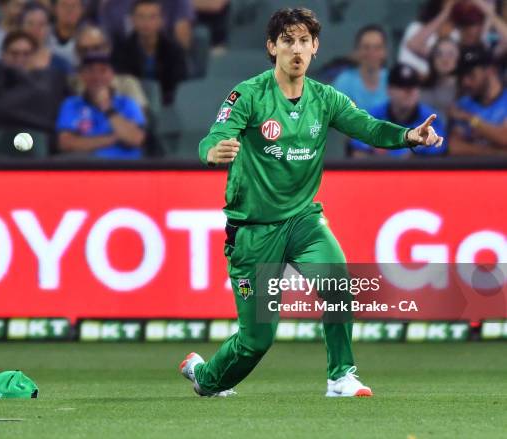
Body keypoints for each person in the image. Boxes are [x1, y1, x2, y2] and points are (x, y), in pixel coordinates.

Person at [179, 7, 443, 398]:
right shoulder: (248, 95)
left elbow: (367, 126)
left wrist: (408, 137)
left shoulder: (325, 98)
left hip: (303, 220)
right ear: (272, 47)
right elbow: (215, 135)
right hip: (254, 231)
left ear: (316, 47)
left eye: (304, 41)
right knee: (257, 340)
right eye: (288, 41)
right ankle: (205, 377)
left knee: (338, 284)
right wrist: (211, 152)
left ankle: (341, 376)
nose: (296, 49)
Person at [0, 30, 69, 151]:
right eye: (14, 54)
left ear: (35, 56)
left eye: (26, 54)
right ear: (3, 55)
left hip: (42, 150)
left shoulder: (51, 80)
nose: (20, 59)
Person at [56, 51, 146, 158]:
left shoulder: (127, 103)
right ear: (82, 76)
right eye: (90, 71)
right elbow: (66, 143)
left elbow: (136, 139)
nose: (96, 76)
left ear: (112, 75)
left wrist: (107, 108)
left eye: (103, 70)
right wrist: (114, 137)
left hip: (125, 168)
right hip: (86, 168)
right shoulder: (71, 104)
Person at [350, 63, 448, 157]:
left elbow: (438, 155)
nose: (409, 92)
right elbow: (358, 152)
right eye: (402, 87)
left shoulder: (431, 120)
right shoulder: (372, 117)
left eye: (412, 86)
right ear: (389, 90)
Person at [112, 0, 187, 105]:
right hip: (133, 104)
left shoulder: (173, 50)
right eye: (141, 17)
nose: (146, 23)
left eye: (152, 17)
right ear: (132, 19)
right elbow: (121, 83)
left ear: (161, 21)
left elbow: (180, 84)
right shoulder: (121, 49)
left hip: (168, 104)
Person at [74, 24, 148, 111]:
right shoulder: (70, 85)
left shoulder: (127, 84)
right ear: (77, 53)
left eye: (96, 48)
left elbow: (141, 119)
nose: (91, 54)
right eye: (84, 50)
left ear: (107, 49)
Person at [449, 45, 507, 155]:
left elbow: (505, 138)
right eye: (462, 76)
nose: (465, 82)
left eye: (471, 75)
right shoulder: (463, 104)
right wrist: (494, 152)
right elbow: (454, 146)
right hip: (475, 170)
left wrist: (472, 119)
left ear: (490, 71)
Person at [333, 24, 388, 111]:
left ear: (384, 52)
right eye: (366, 47)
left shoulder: (393, 81)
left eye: (377, 48)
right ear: (357, 51)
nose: (372, 53)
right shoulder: (344, 83)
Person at [398, 0, 458, 78]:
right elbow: (412, 47)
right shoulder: (416, 28)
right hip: (418, 86)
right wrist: (445, 12)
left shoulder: (461, 34)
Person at [20, 2, 71, 74]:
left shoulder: (61, 64)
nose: (35, 29)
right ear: (21, 27)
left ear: (49, 28)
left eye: (41, 24)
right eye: (30, 24)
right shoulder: (10, 62)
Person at [420, 37, 459, 121]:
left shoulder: (464, 90)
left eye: (450, 54)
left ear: (458, 59)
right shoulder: (421, 87)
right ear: (432, 59)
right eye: (439, 54)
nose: (444, 59)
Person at [49, 0, 84, 65]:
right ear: (54, 9)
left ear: (81, 10)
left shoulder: (90, 39)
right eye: (64, 5)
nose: (69, 10)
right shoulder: (44, 36)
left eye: (74, 6)